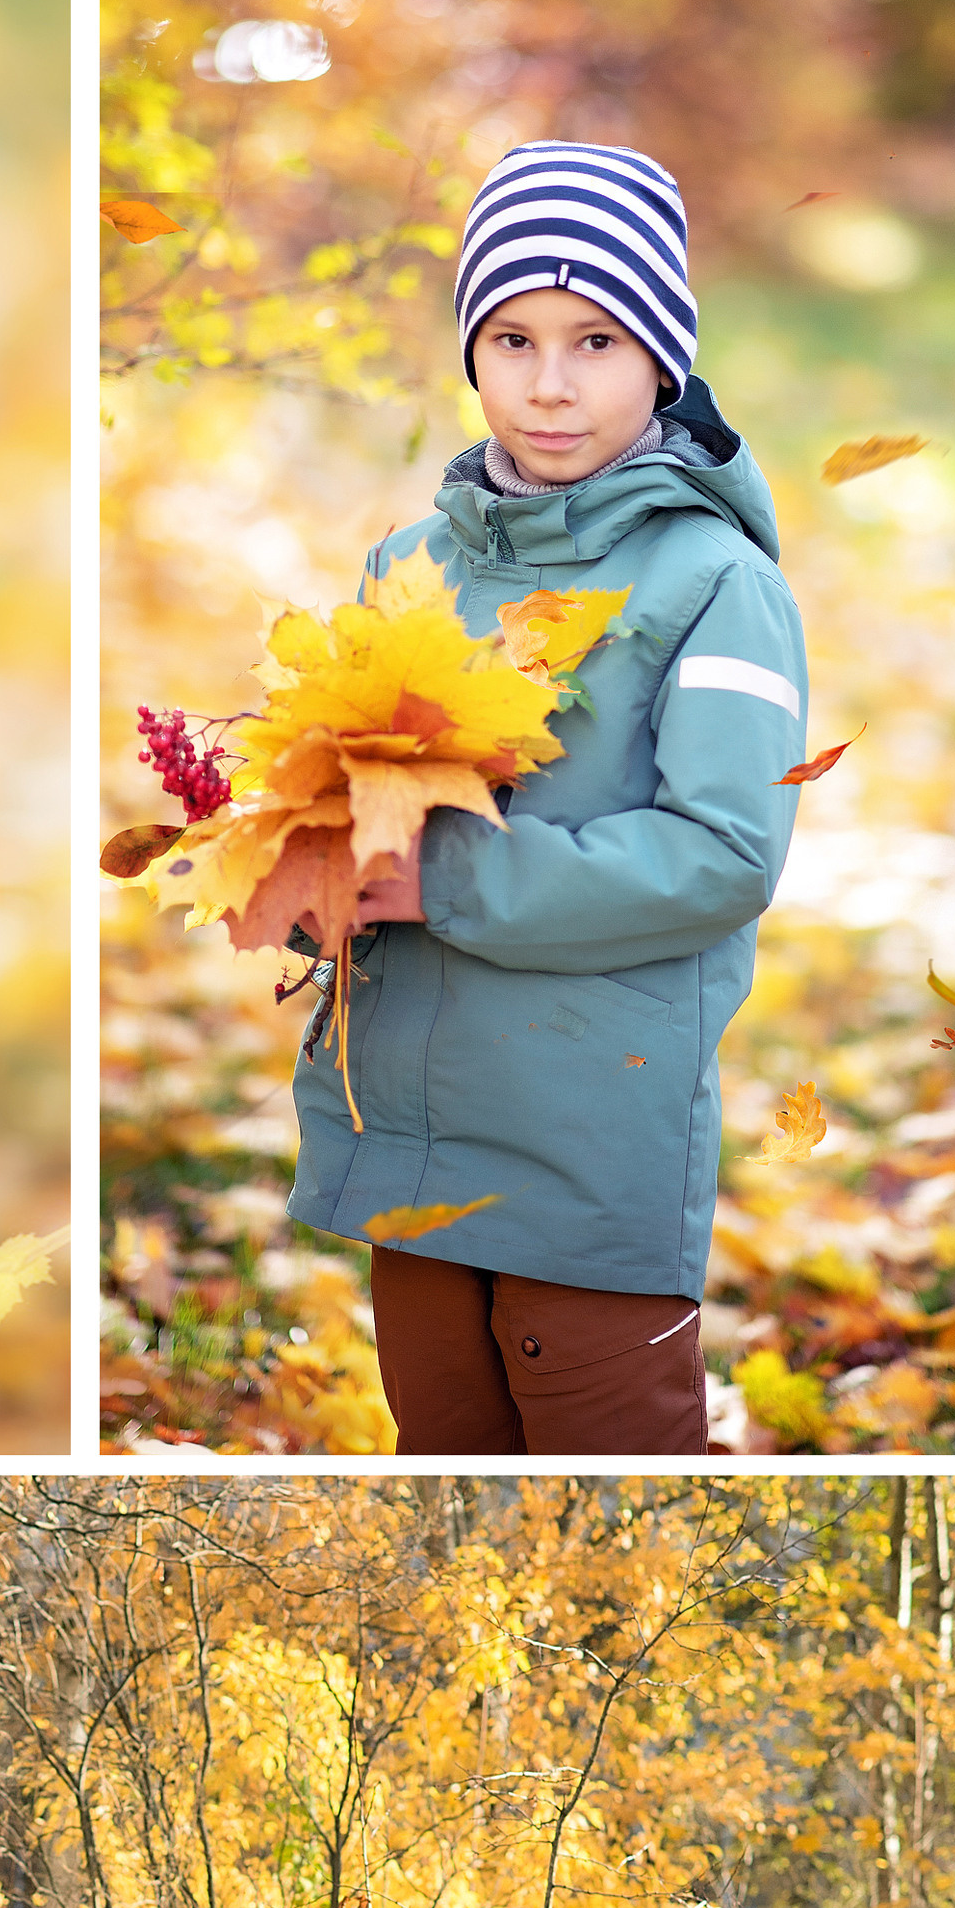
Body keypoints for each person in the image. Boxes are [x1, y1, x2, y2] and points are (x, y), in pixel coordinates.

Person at [287, 138, 810, 1456]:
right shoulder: (410, 565)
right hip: (409, 1133)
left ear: (663, 357)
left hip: (588, 1141)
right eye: (512, 338)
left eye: (596, 341)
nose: (550, 384)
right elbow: (345, 793)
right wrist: (309, 877)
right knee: (445, 1470)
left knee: (608, 1483)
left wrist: (449, 879)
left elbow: (723, 850)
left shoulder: (713, 583)